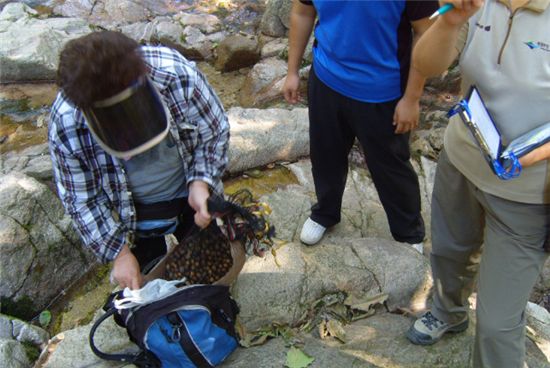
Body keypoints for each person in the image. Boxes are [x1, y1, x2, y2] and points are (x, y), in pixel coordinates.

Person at [405, 1, 550, 366]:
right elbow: (427, 64)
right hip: (462, 158)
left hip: (529, 192)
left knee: (498, 325)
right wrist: (450, 23)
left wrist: (534, 153)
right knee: (450, 251)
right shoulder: (478, 2)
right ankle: (448, 311)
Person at [49, 31, 230, 290]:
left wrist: (201, 182)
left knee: (210, 263)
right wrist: (119, 254)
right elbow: (81, 199)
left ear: (144, 72)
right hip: (134, 215)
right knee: (144, 278)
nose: (131, 151)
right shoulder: (67, 122)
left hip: (190, 192)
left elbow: (214, 132)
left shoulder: (175, 75)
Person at [282, 0, 439, 253]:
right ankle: (325, 212)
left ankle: (408, 233)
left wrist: (412, 98)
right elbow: (303, 12)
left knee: (391, 167)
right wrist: (292, 71)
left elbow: (427, 31)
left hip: (383, 91)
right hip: (326, 78)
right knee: (325, 155)